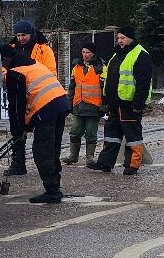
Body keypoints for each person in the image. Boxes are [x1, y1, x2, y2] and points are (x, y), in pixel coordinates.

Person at [5, 49, 71, 204]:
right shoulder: (33, 64)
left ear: (6, 59)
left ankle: (52, 191)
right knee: (53, 149)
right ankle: (55, 187)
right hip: (61, 103)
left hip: (46, 108)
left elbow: (15, 106)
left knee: (42, 150)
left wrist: (18, 129)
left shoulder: (15, 72)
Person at [91, 26, 154, 175]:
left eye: (122, 38)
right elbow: (110, 79)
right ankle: (105, 163)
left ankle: (132, 165)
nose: (119, 41)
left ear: (130, 38)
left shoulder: (140, 54)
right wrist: (106, 99)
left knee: (133, 137)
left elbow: (143, 82)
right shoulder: (117, 54)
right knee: (111, 135)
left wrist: (138, 103)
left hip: (129, 104)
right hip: (114, 103)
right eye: (118, 38)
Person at [2, 20, 56, 176]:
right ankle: (18, 163)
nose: (21, 38)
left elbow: (50, 71)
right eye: (18, 35)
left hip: (37, 94)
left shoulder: (44, 50)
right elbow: (3, 68)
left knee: (41, 132)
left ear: (31, 34)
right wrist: (9, 77)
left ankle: (46, 165)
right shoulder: (11, 49)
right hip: (18, 93)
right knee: (17, 128)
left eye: (23, 35)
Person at [65, 43, 104, 165]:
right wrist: (69, 102)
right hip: (78, 105)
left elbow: (105, 89)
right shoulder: (76, 67)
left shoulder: (101, 68)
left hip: (94, 107)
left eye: (88, 52)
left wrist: (105, 105)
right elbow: (72, 87)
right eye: (83, 52)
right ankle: (73, 156)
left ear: (93, 53)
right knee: (75, 131)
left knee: (91, 132)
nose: (85, 55)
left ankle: (90, 157)